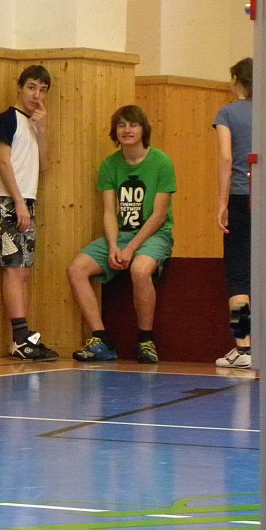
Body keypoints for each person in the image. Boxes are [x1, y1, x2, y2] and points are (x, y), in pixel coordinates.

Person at [68, 105, 176, 364]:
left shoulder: (161, 162)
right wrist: (114, 245)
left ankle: (146, 339)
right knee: (76, 269)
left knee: (139, 269)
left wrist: (130, 249)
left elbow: (159, 215)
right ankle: (101, 339)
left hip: (154, 234)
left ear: (143, 130)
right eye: (122, 125)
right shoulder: (110, 164)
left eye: (133, 125)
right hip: (122, 234)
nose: (127, 130)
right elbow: (109, 211)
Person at [0, 65, 58, 361]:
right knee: (14, 270)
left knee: (24, 271)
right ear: (19, 87)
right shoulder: (6, 119)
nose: (36, 95)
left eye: (42, 90)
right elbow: (3, 161)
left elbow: (44, 164)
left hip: (27, 200)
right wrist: (17, 202)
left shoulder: (34, 123)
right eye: (31, 87)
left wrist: (42, 130)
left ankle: (24, 336)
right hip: (7, 200)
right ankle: (19, 339)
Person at [214, 57, 254, 369]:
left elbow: (226, 158)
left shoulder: (227, 113)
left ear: (236, 81)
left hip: (241, 197)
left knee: (239, 273)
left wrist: (222, 202)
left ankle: (244, 346)